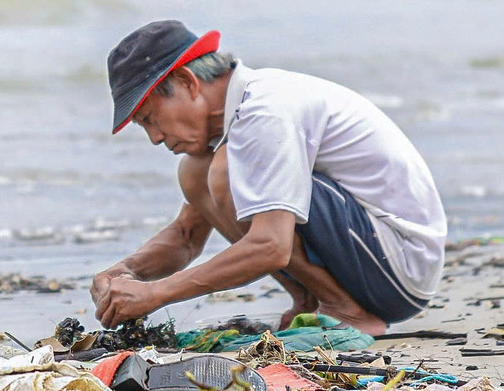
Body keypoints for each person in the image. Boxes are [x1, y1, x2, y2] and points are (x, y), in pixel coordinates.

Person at [91, 20, 446, 336]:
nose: (154, 137)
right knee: (196, 171)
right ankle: (310, 300)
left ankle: (345, 310)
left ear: (187, 82)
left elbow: (270, 247)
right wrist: (127, 271)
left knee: (225, 171)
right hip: (376, 259)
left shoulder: (263, 111)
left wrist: (157, 294)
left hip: (402, 265)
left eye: (150, 118)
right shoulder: (242, 117)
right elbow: (186, 236)